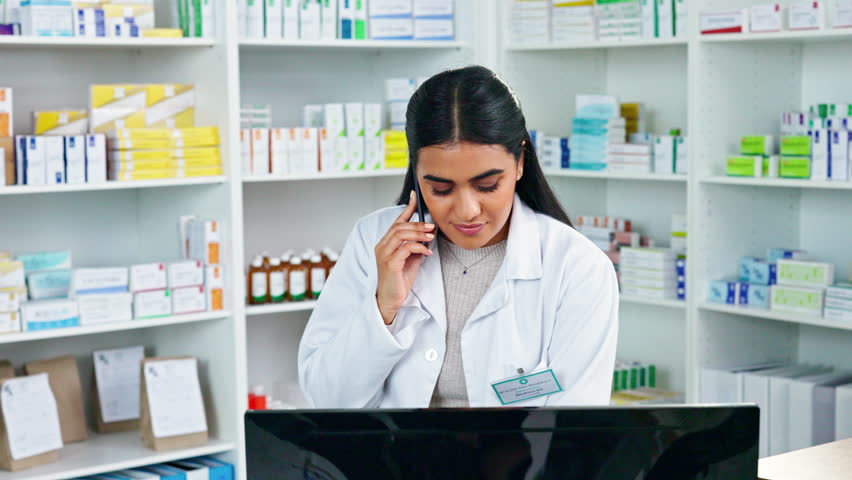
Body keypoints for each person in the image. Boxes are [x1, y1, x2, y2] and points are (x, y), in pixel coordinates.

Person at [298, 65, 618, 408]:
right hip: (394, 459)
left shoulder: (577, 267)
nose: (466, 211)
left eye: (487, 186)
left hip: (524, 462)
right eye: (440, 189)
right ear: (416, 173)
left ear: (521, 162)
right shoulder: (373, 240)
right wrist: (384, 308)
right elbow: (326, 399)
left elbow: (574, 428)